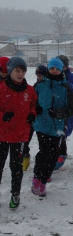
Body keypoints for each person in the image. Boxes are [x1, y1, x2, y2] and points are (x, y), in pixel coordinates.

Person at [32, 58, 73, 197]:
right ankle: (37, 179)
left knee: (52, 156)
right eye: (52, 68)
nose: (54, 71)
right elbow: (31, 101)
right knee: (43, 153)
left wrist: (59, 113)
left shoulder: (65, 87)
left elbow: (72, 109)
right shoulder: (40, 85)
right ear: (48, 69)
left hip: (57, 128)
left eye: (57, 68)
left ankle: (43, 180)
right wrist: (36, 108)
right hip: (42, 126)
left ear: (61, 69)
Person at [0, 57, 37, 210]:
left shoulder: (29, 90)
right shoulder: (1, 88)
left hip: (20, 135)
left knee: (16, 166)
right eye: (17, 70)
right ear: (10, 71)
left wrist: (33, 113)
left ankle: (16, 193)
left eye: (23, 71)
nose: (20, 74)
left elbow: (33, 104)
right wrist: (2, 115)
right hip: (1, 134)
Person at [22, 65, 47, 171]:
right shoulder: (35, 86)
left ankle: (44, 163)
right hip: (33, 118)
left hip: (42, 119)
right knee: (25, 139)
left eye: (41, 75)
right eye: (38, 75)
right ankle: (25, 155)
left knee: (43, 141)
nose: (39, 77)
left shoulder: (47, 86)